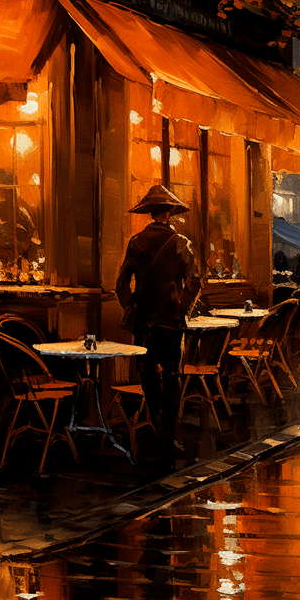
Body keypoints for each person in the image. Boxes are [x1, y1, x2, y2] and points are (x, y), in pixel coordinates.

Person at [115, 185, 201, 449]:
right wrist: (182, 307)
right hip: (171, 322)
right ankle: (167, 430)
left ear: (151, 213)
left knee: (147, 374)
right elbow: (195, 281)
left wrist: (131, 305)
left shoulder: (136, 242)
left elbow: (121, 283)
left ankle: (155, 420)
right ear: (170, 214)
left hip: (144, 321)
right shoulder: (181, 244)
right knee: (173, 375)